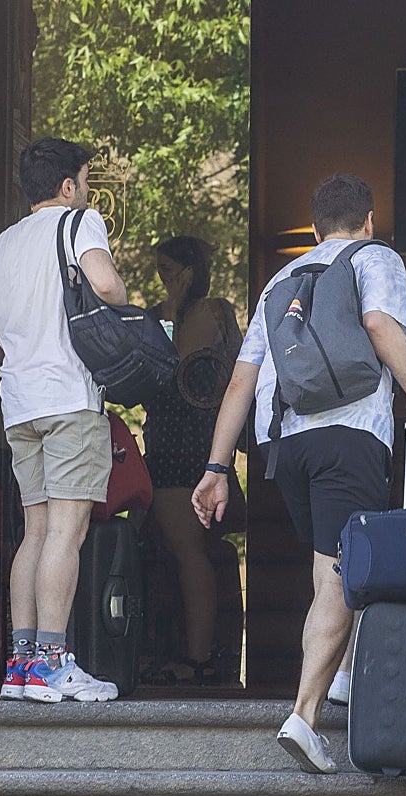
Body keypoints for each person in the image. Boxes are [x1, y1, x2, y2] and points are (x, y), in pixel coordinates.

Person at [192, 173, 406, 772]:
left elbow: (242, 379)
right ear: (367, 220)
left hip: (284, 447)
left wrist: (217, 466)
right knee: (339, 574)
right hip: (350, 436)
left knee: (332, 562)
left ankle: (344, 677)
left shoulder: (282, 279)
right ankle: (305, 715)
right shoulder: (375, 257)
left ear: (312, 229)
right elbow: (381, 326)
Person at [0, 136, 125, 703]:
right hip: (70, 398)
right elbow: (104, 283)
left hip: (20, 403)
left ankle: (21, 667)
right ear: (69, 186)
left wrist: (12, 344)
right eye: (86, 181)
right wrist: (122, 302)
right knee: (67, 536)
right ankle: (52, 663)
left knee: (36, 533)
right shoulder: (80, 223)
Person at [143, 235, 243, 684]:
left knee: (188, 549)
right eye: (159, 270)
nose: (164, 278)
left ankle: (198, 654)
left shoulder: (211, 311)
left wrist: (180, 303)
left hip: (191, 441)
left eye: (170, 269)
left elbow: (177, 366)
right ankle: (179, 648)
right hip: (163, 437)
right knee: (169, 548)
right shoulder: (155, 316)